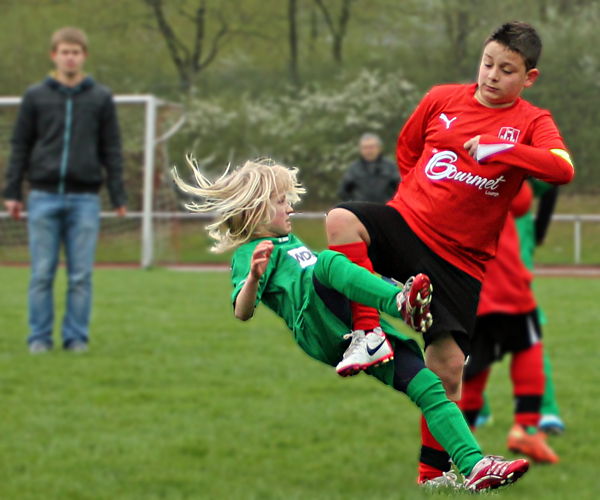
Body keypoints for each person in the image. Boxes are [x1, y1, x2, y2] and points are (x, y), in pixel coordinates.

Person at [172, 156, 530, 492]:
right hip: (321, 324)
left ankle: (473, 466)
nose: (290, 207)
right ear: (255, 209)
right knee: (330, 262)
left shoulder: (289, 240)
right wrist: (252, 278)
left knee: (428, 385)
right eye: (281, 201)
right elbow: (241, 311)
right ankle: (400, 302)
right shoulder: (250, 252)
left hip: (357, 329)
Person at [324, 21, 573, 484]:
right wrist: (419, 200)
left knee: (448, 366)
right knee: (340, 220)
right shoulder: (441, 98)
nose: (492, 75)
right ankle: (369, 332)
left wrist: (504, 149)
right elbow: (407, 150)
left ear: (529, 78)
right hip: (408, 227)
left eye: (507, 70)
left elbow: (562, 169)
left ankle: (433, 474)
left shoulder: (532, 122)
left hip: (461, 260)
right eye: (487, 63)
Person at [2, 27, 127, 353]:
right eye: (64, 51)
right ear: (53, 55)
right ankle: (39, 339)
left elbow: (111, 148)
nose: (69, 57)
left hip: (85, 199)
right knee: (41, 273)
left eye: (75, 52)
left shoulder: (100, 98)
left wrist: (118, 195)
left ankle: (76, 339)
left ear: (84, 56)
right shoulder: (35, 97)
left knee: (80, 277)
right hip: (43, 197)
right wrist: (12, 191)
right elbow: (20, 146)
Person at [458, 181, 560, 464]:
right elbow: (525, 198)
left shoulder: (443, 170)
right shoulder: (501, 163)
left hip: (465, 284)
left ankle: (460, 437)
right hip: (503, 279)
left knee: (475, 360)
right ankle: (525, 428)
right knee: (529, 347)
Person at [338, 133, 400, 204]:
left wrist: (392, 204)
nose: (368, 151)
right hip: (361, 211)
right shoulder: (354, 168)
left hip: (384, 210)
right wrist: (353, 205)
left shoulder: (390, 166)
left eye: (371, 147)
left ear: (378, 148)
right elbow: (343, 191)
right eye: (365, 148)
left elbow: (400, 188)